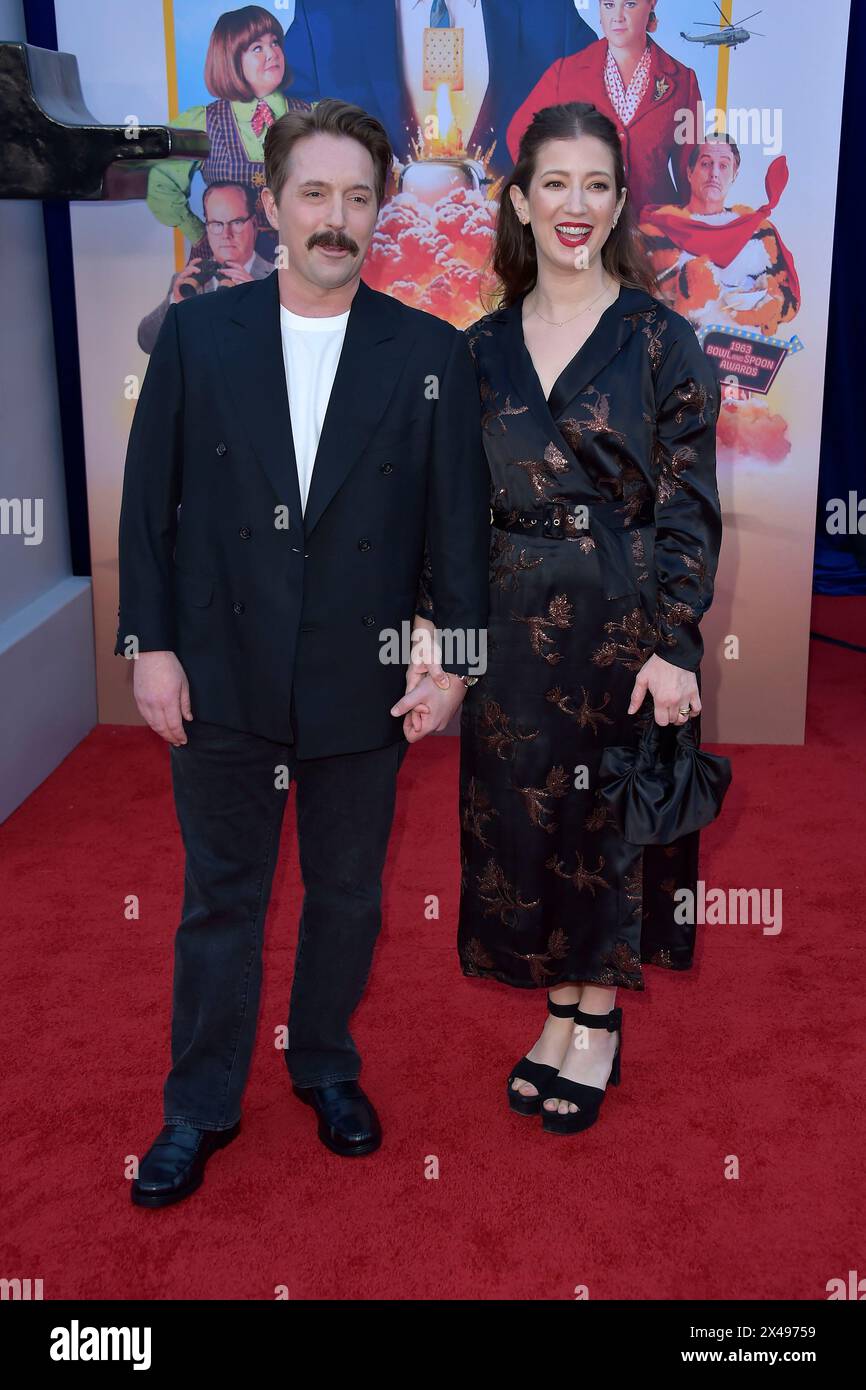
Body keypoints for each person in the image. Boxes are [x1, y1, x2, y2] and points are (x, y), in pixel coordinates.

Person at [115, 98, 489, 1206]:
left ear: (381, 213)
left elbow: (455, 529)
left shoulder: (429, 352)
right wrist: (152, 647)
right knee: (220, 900)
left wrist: (455, 665)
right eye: (313, 194)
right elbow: (148, 512)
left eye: (358, 198)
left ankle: (324, 1062)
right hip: (221, 670)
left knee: (347, 896)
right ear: (271, 203)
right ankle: (198, 1106)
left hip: (358, 681)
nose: (336, 219)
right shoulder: (195, 334)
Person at [395, 100, 722, 1135]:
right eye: (553, 184)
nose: (573, 205)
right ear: (518, 198)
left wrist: (675, 642)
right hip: (508, 622)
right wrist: (438, 639)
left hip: (624, 619)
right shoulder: (475, 349)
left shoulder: (662, 341)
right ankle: (556, 1005)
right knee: (525, 825)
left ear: (619, 201)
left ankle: (597, 1020)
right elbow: (445, 511)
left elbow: (686, 506)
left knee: (606, 822)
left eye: (594, 185)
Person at [282, 0, 596, 177]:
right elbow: (288, 136)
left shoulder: (550, 12)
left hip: (517, 273)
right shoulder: (324, 12)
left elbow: (598, 116)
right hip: (374, 274)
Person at [506, 0, 702, 222]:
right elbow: (518, 133)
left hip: (656, 234)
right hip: (585, 230)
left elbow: (691, 172)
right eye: (608, 5)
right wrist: (552, 190)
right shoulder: (566, 73)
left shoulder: (683, 82)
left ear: (651, 7)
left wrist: (689, 235)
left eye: (629, 4)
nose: (617, 16)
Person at [145, 5, 309, 261]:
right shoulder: (204, 122)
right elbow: (161, 184)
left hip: (298, 263)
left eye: (275, 43)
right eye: (258, 48)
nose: (272, 53)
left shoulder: (311, 117)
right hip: (227, 268)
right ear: (231, 60)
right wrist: (199, 234)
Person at [638, 136, 801, 335]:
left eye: (723, 166)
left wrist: (770, 304)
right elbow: (632, 300)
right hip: (673, 354)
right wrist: (685, 301)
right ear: (690, 172)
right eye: (706, 164)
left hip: (739, 356)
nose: (714, 173)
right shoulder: (654, 232)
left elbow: (787, 298)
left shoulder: (759, 232)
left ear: (734, 174)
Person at [137, 181, 274, 355]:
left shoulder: (276, 278)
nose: (226, 234)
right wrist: (174, 302)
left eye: (236, 222)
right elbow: (147, 341)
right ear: (207, 227)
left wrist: (258, 303)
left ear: (253, 224)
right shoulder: (189, 282)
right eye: (216, 224)